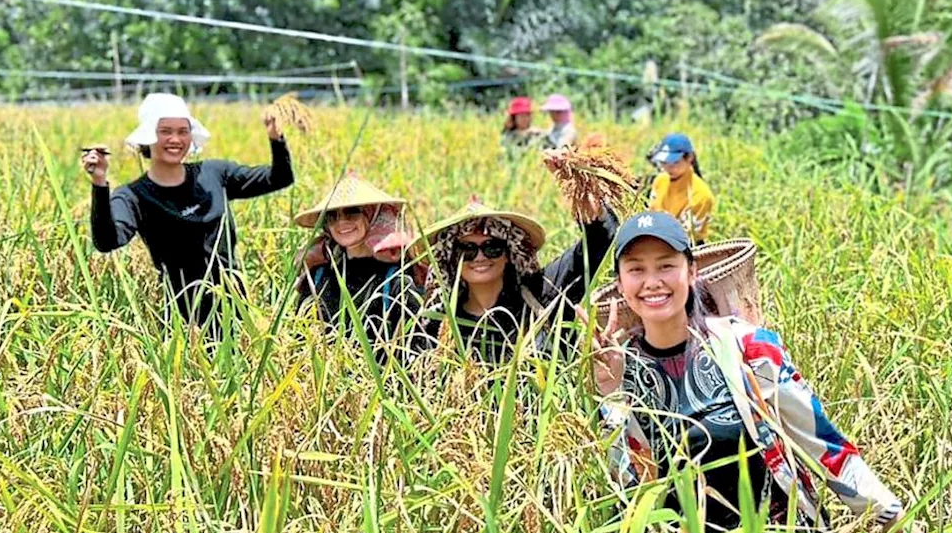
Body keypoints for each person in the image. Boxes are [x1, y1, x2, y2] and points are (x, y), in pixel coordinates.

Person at [588, 211, 907, 533]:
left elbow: (825, 445)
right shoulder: (621, 372)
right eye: (636, 269)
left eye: (666, 265)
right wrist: (610, 394)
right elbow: (629, 490)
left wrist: (891, 520)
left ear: (692, 272)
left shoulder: (747, 347)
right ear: (620, 284)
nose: (652, 281)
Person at [83, 92, 294, 329]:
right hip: (182, 319)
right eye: (165, 131)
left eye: (183, 131)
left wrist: (276, 138)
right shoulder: (134, 196)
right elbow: (107, 241)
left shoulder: (215, 174)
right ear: (148, 138)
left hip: (234, 308)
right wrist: (99, 183)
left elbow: (279, 178)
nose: (175, 139)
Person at [420, 197, 616, 363]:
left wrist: (592, 213)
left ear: (509, 253)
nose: (480, 257)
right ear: (452, 258)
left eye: (492, 247)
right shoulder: (439, 323)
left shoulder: (541, 294)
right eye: (467, 250)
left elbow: (595, 245)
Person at [294, 173, 421, 343]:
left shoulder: (396, 282)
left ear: (372, 215)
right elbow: (301, 340)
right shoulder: (318, 278)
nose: (341, 221)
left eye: (352, 212)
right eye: (332, 215)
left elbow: (416, 350)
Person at [648, 133, 714, 243]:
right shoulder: (660, 181)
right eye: (664, 162)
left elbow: (687, 237)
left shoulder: (701, 196)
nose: (669, 168)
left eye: (675, 162)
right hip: (657, 239)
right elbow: (651, 212)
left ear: (689, 158)